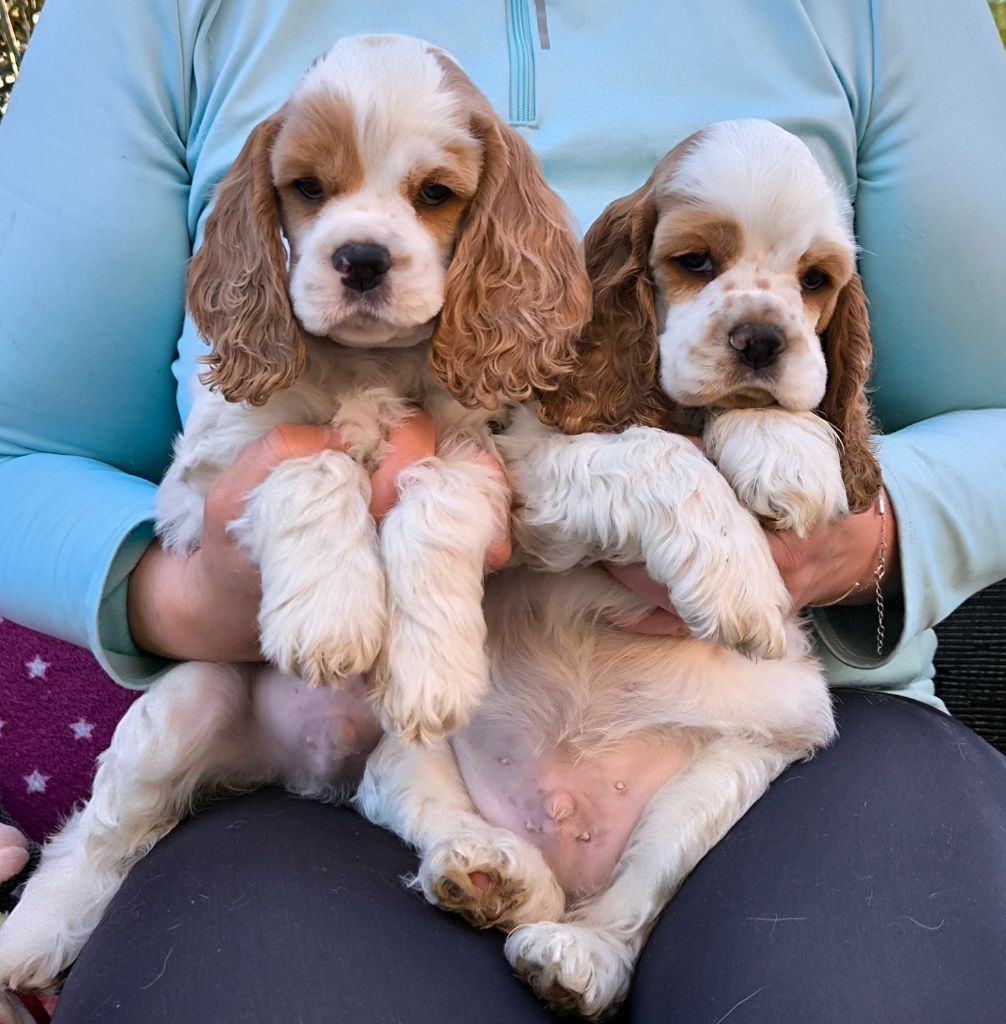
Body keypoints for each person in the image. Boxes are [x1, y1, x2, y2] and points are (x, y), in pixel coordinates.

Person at [0, 0, 1004, 1020]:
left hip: (769, 725)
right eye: (313, 188)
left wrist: (858, 536)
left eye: (434, 193)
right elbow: (16, 450)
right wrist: (191, 595)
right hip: (354, 746)